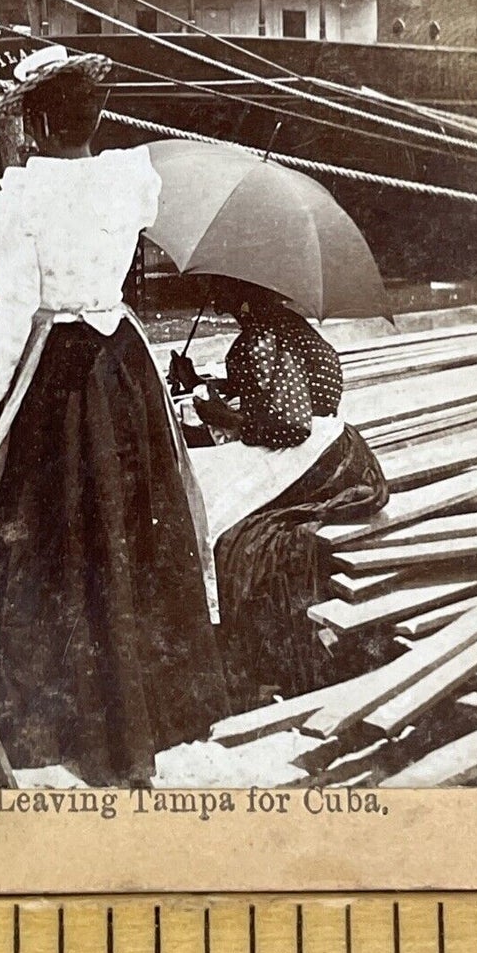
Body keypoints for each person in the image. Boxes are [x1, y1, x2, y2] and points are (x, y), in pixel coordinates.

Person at [0, 44, 229, 785]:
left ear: (35, 121)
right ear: (96, 114)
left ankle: (57, 713)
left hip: (55, 365)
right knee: (131, 517)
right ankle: (152, 704)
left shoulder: (13, 203)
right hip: (119, 361)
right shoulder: (128, 177)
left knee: (50, 528)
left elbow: (15, 310)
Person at [169, 276, 389, 712]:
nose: (214, 300)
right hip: (343, 448)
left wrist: (218, 415)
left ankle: (223, 648)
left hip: (316, 461)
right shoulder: (285, 325)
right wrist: (210, 385)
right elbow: (285, 391)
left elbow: (290, 424)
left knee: (210, 509)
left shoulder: (261, 337)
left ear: (240, 294)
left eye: (220, 291)